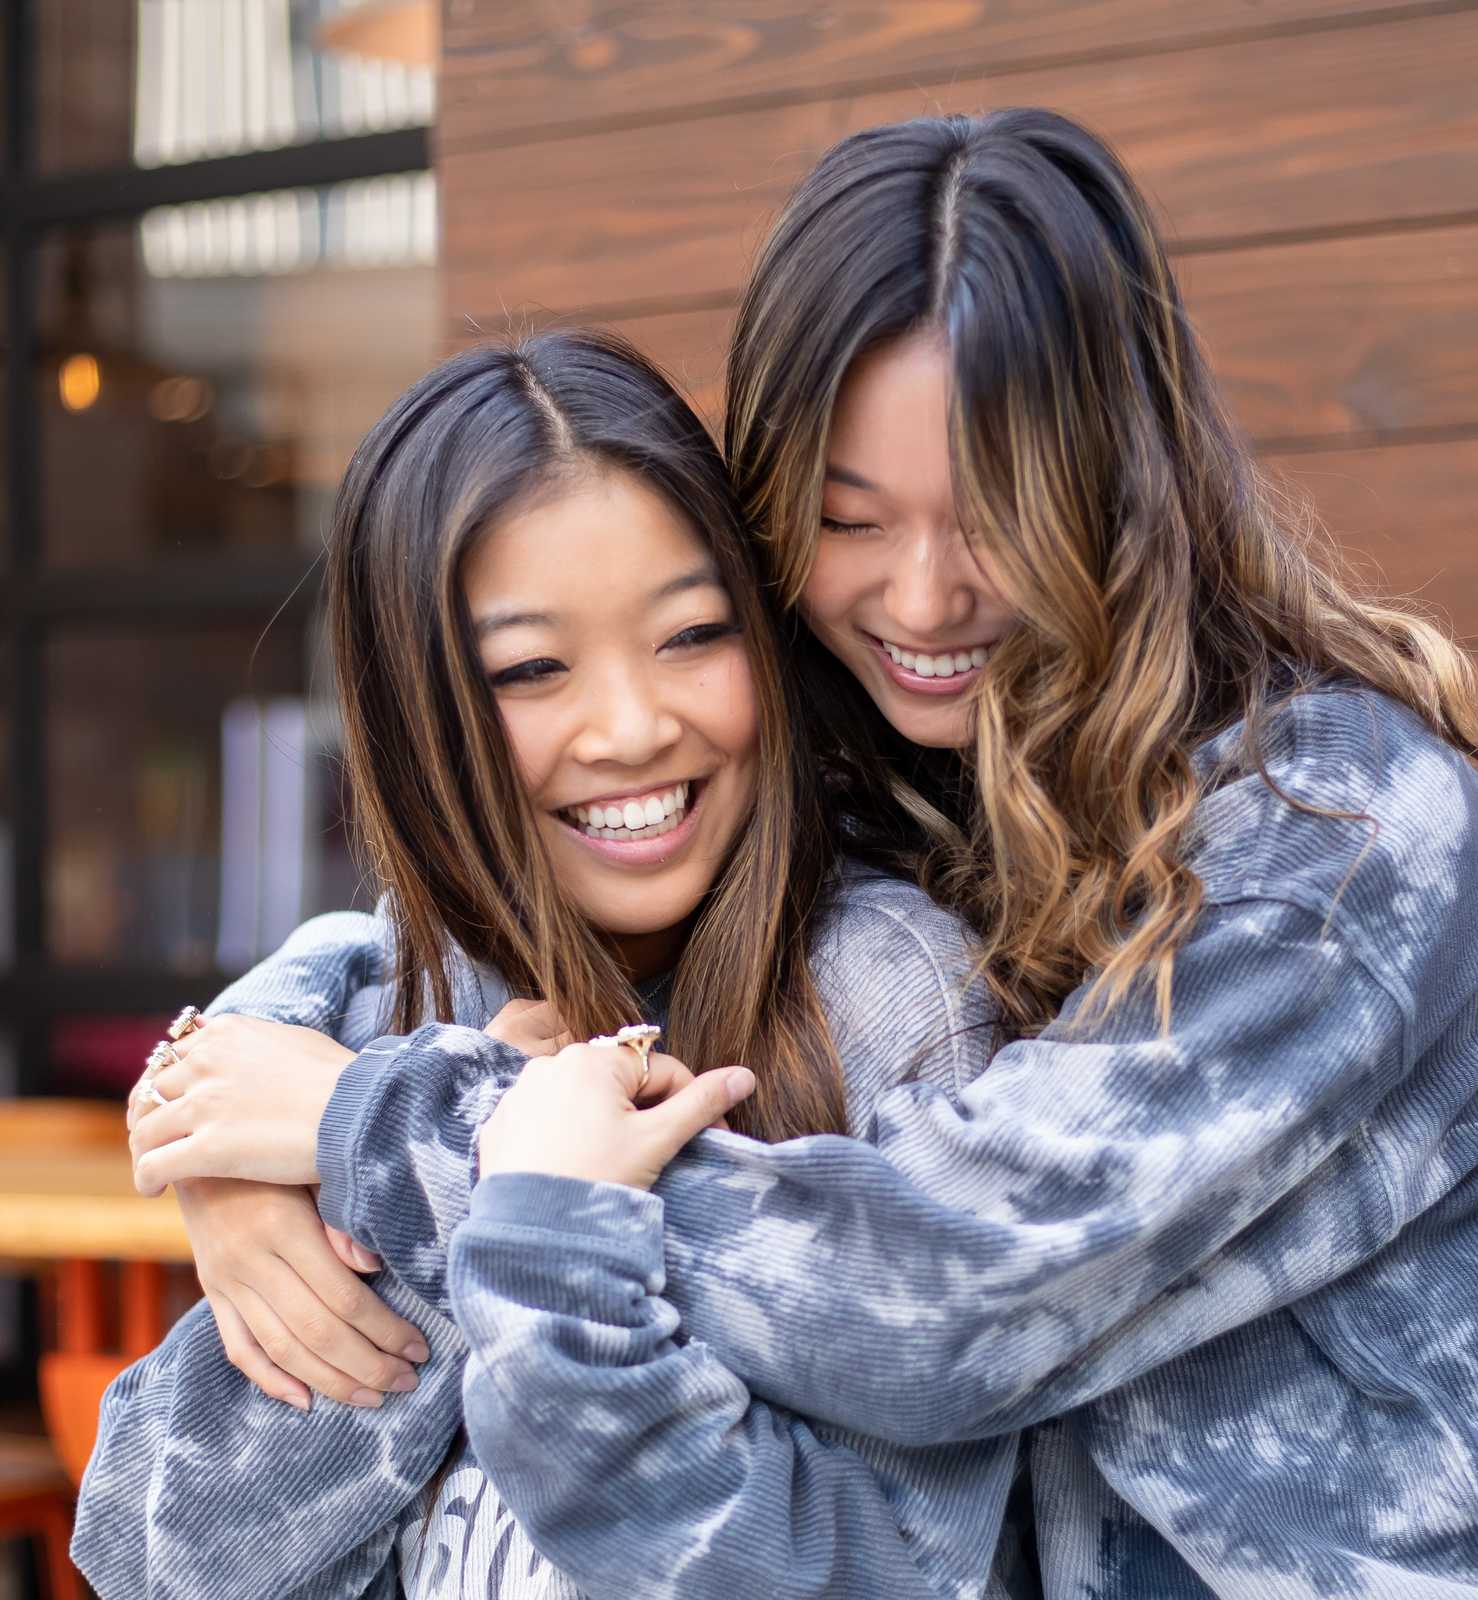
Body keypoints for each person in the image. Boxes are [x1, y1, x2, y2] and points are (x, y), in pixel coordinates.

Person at [110, 108, 1478, 1596]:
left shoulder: (1329, 828)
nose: (924, 594)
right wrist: (231, 1119)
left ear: (1121, 483)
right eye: (845, 518)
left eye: (997, 515)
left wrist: (406, 1142)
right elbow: (412, 936)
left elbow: (950, 1299)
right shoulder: (855, 757)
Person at [74, 328, 1035, 1599]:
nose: (634, 726)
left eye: (691, 634)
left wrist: (445, 1163)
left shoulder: (890, 999)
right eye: (532, 668)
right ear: (417, 714)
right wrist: (415, 1184)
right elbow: (157, 1553)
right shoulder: (386, 999)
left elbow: (904, 1566)